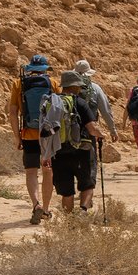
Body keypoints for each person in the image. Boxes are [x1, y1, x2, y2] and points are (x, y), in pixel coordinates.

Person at [7, 52, 56, 224]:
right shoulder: (53, 83)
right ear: (44, 69)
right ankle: (47, 209)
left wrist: (17, 137)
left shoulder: (18, 83)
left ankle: (36, 205)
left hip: (28, 134)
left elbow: (13, 113)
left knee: (31, 172)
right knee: (48, 171)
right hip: (48, 136)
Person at [51, 70, 104, 212]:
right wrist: (101, 135)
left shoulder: (53, 103)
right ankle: (82, 212)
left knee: (67, 191)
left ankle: (69, 222)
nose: (80, 88)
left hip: (58, 151)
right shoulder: (79, 102)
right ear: (74, 86)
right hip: (81, 151)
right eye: (79, 86)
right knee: (88, 185)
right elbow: (92, 128)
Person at [72, 59, 119, 148]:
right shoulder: (95, 88)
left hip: (71, 131)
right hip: (90, 130)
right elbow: (106, 111)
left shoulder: (69, 88)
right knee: (89, 159)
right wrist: (113, 130)